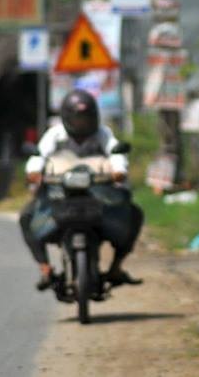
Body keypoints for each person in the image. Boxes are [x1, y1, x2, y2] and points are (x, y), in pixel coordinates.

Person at [18, 89, 144, 291]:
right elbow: (38, 156)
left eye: (86, 118)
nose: (82, 123)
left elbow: (115, 153)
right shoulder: (55, 135)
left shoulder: (103, 134)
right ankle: (45, 268)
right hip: (59, 194)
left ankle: (116, 267)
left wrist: (119, 170)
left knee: (134, 214)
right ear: (67, 118)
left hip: (97, 194)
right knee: (27, 217)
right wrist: (34, 172)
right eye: (77, 119)